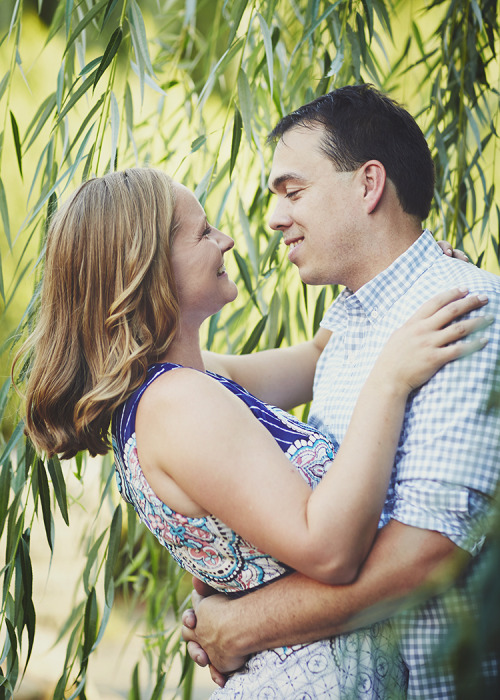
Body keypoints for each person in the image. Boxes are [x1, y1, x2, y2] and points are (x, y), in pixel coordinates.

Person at [13, 167, 489, 698]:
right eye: (203, 232)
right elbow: (329, 550)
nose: (228, 240)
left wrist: (409, 270)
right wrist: (389, 382)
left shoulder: (189, 385)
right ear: (146, 270)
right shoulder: (178, 405)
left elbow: (316, 358)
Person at [181, 85, 500, 698]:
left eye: (292, 193)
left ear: (368, 184)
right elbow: (246, 377)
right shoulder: (352, 320)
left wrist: (245, 625)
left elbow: (424, 560)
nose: (273, 218)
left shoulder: (465, 315)